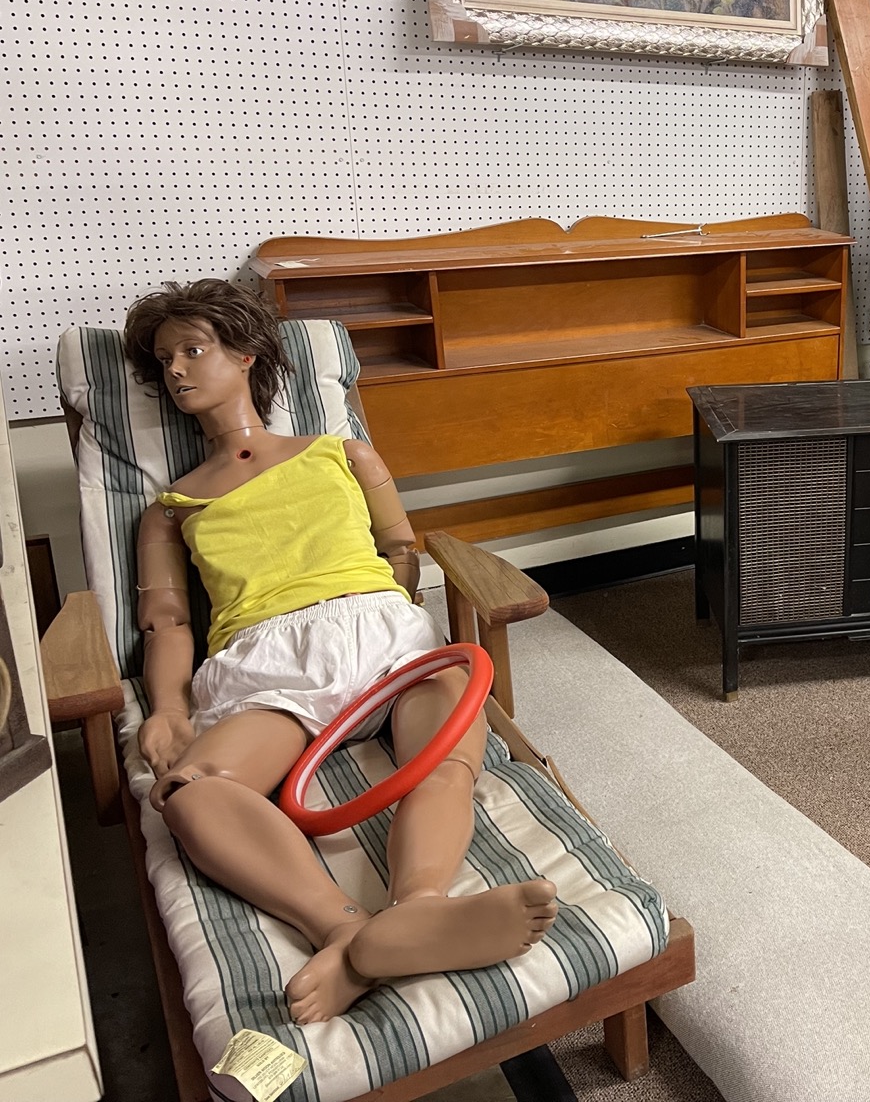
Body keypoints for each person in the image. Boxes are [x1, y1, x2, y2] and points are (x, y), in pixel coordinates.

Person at [126, 279, 559, 1025]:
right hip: (264, 664)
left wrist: (388, 617)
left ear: (246, 354)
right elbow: (167, 622)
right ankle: (346, 932)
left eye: (193, 350)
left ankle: (420, 908)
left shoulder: (341, 453)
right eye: (165, 359)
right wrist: (167, 707)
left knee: (446, 745)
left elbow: (399, 552)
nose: (176, 371)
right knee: (193, 795)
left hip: (379, 632)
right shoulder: (171, 508)